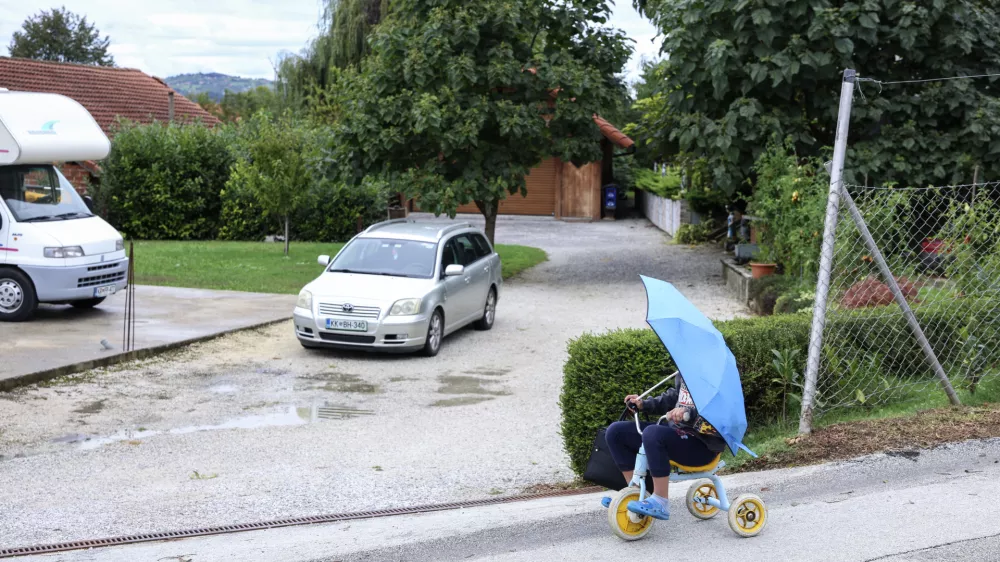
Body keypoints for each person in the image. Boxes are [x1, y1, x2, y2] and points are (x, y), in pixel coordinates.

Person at [602, 373, 727, 520]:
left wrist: (690, 413)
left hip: (702, 445)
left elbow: (722, 415)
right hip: (676, 434)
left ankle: (661, 501)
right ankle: (634, 493)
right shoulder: (687, 369)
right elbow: (673, 397)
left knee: (652, 433)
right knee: (615, 432)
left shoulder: (719, 379)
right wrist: (644, 404)